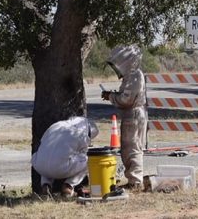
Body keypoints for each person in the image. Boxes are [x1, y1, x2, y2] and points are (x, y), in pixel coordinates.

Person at [101, 45, 147, 190]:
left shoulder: (134, 75)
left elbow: (127, 99)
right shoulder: (131, 76)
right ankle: (133, 180)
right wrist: (112, 95)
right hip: (132, 115)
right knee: (129, 148)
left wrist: (111, 96)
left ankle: (135, 181)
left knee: (132, 149)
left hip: (133, 115)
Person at [31, 116, 99, 197]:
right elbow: (84, 152)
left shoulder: (55, 125)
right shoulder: (80, 133)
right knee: (90, 160)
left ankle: (46, 185)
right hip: (59, 168)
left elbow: (44, 144)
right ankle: (68, 187)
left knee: (46, 156)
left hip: (39, 166)